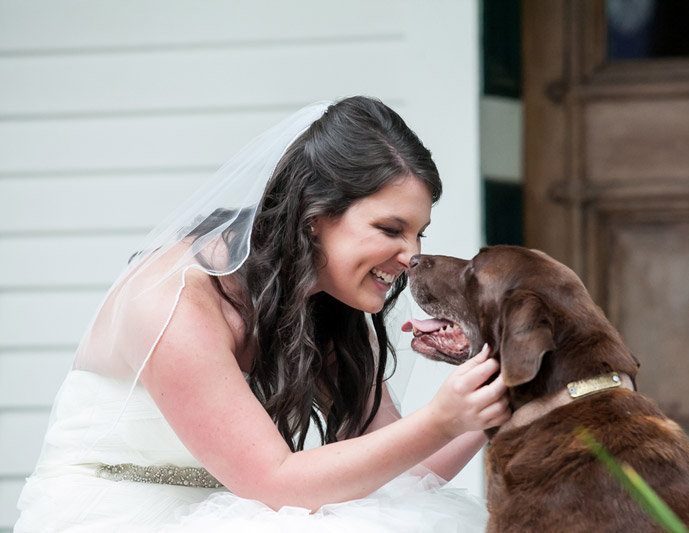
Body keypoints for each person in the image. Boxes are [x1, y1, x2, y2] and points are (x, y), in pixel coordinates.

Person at [15, 96, 509, 532]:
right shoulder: (176, 303)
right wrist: (441, 419)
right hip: (111, 515)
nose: (411, 256)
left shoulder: (326, 309)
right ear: (314, 218)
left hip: (228, 512)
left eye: (418, 232)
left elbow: (401, 479)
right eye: (390, 228)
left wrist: (501, 393)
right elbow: (275, 481)